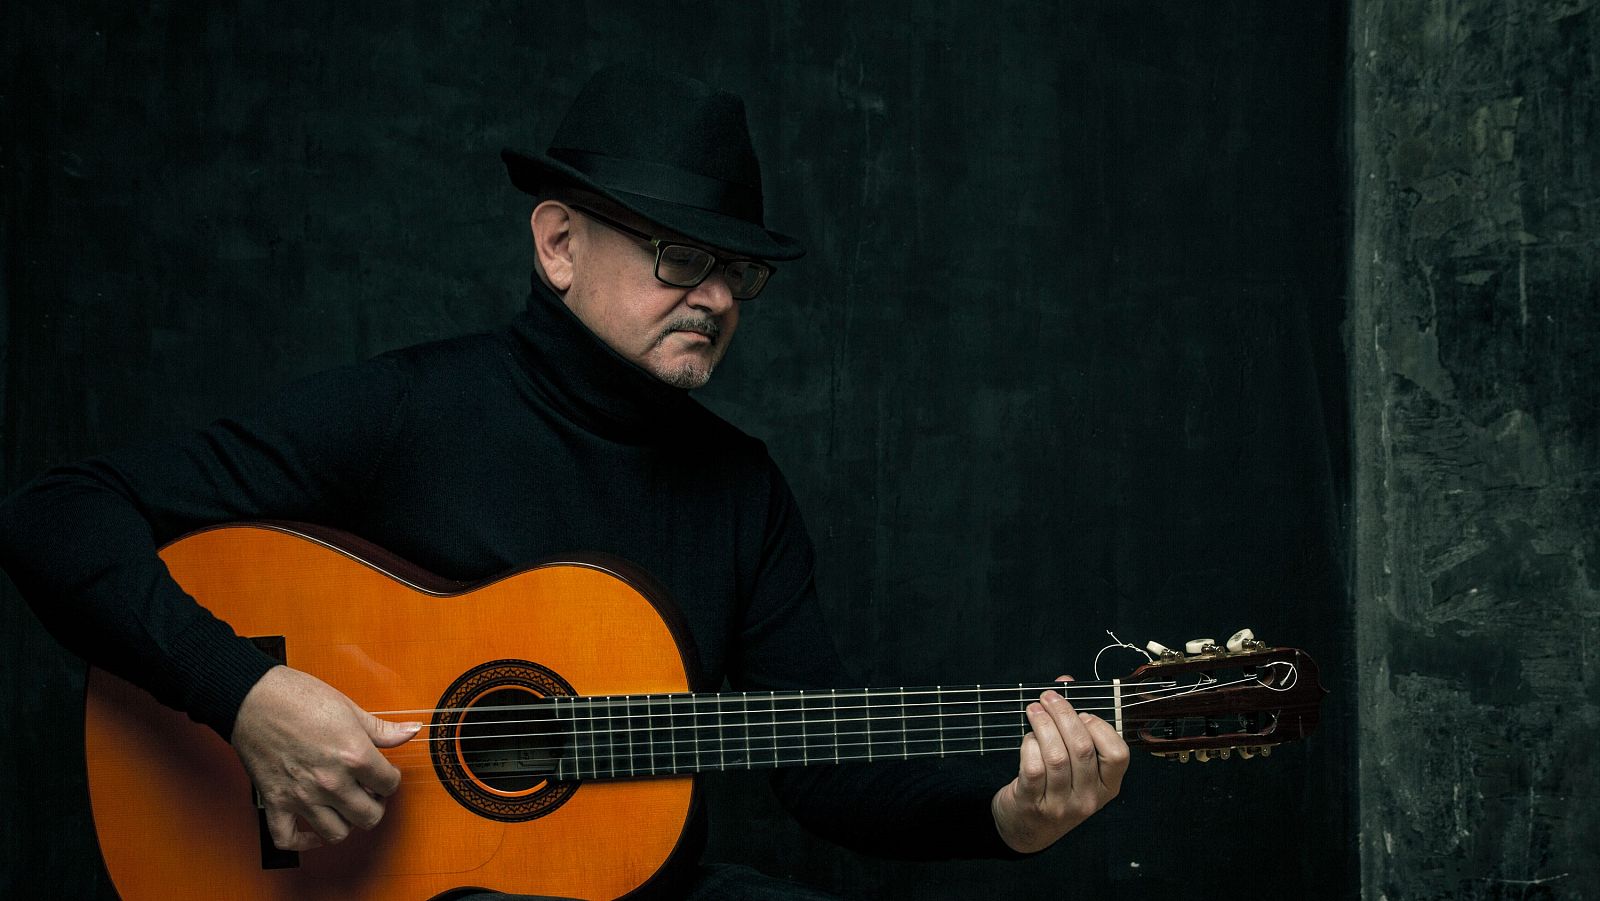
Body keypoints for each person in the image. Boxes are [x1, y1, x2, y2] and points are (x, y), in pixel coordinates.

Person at [0, 64, 1128, 900]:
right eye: (680, 257)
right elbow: (55, 514)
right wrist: (243, 692)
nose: (719, 297)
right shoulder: (406, 410)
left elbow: (821, 775)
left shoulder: (742, 490)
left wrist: (1011, 814)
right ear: (557, 245)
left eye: (737, 271)